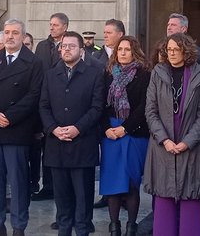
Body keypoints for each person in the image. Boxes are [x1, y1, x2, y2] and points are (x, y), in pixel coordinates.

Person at [0, 19, 43, 236]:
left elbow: (34, 95)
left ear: (23, 36)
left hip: (17, 129)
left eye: (15, 32)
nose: (11, 36)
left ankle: (18, 226)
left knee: (18, 183)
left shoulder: (33, 62)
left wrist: (9, 116)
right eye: (7, 32)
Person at [144, 32, 200, 236]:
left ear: (186, 50)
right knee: (163, 201)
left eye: (176, 49)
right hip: (162, 146)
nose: (171, 53)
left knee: (190, 200)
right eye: (169, 49)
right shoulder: (157, 72)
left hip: (191, 148)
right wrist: (164, 139)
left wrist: (187, 142)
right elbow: (150, 111)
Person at [40, 31, 105, 236]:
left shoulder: (94, 74)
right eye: (63, 46)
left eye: (71, 46)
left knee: (83, 197)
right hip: (56, 145)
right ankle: (64, 230)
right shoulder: (51, 75)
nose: (66, 49)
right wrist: (53, 128)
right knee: (62, 197)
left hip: (82, 144)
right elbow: (43, 106)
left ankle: (83, 230)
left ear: (82, 50)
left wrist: (78, 128)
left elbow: (97, 107)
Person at [100, 35, 150, 236]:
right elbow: (100, 103)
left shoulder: (145, 74)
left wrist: (126, 128)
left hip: (134, 133)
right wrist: (106, 128)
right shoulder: (109, 73)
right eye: (120, 49)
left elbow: (144, 107)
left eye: (127, 49)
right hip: (110, 132)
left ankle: (131, 225)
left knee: (130, 182)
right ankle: (114, 226)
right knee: (113, 181)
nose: (122, 53)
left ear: (135, 51)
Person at [31, 13, 69, 201]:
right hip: (45, 102)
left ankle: (63, 187)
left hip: (65, 103)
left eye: (55, 25)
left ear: (65, 27)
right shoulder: (42, 46)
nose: (51, 27)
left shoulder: (70, 44)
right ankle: (47, 186)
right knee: (47, 147)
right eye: (50, 24)